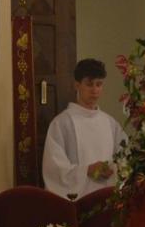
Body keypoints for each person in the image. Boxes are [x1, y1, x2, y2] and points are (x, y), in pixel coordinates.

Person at [42, 58, 126, 199]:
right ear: (77, 85)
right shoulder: (62, 123)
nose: (94, 90)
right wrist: (87, 170)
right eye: (89, 84)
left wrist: (113, 168)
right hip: (77, 201)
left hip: (109, 198)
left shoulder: (111, 124)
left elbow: (125, 158)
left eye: (99, 84)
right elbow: (55, 169)